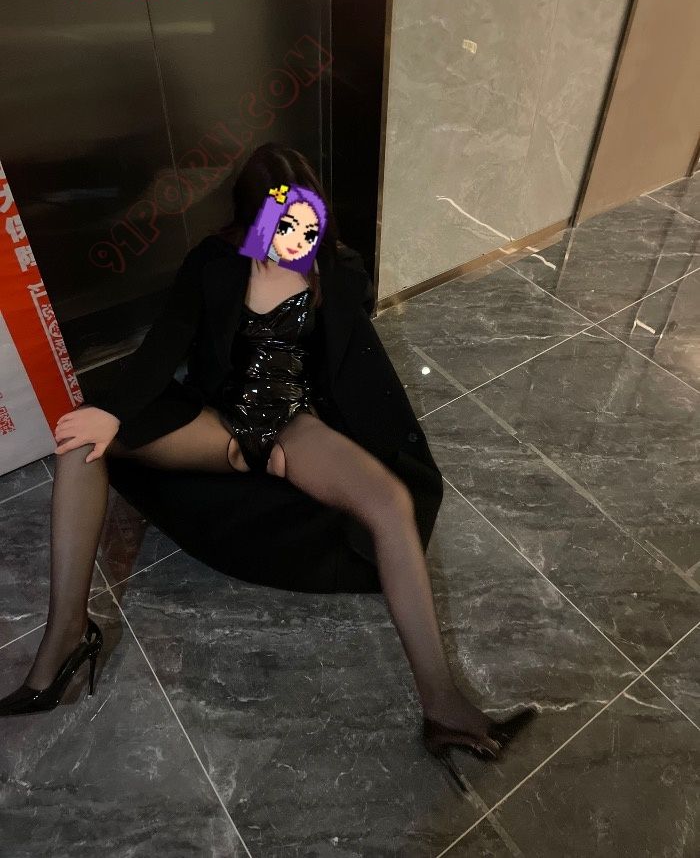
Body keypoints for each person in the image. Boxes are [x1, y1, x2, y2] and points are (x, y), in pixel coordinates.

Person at [0, 142, 536, 788]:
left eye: (310, 225)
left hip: (291, 428)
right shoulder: (213, 265)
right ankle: (63, 640)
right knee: (80, 443)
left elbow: (356, 367)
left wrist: (377, 441)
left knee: (390, 501)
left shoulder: (332, 270)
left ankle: (444, 710)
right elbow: (163, 346)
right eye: (285, 226)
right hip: (219, 425)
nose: (300, 240)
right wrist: (111, 413)